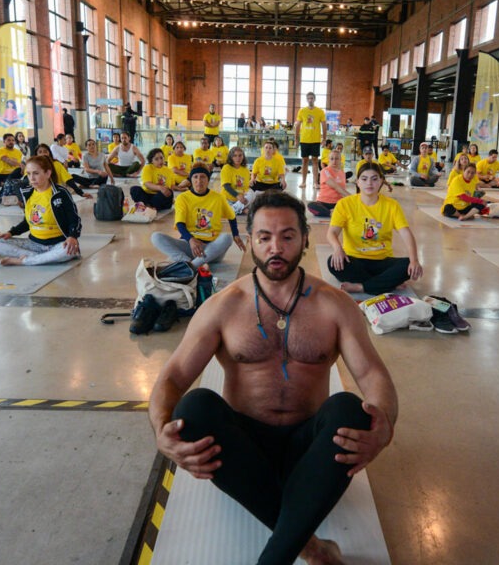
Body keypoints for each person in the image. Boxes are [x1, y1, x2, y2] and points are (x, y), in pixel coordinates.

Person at [149, 192, 398, 565]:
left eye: (287, 236)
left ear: (304, 240)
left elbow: (372, 376)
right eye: (264, 237)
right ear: (250, 241)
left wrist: (385, 429)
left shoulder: (335, 305)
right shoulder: (222, 306)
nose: (275, 247)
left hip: (309, 448)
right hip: (241, 448)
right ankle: (312, 547)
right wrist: (160, 433)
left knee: (352, 410)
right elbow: (172, 378)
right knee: (194, 407)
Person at [326, 162, 423, 295]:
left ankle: (362, 287)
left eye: (374, 178)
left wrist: (415, 260)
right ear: (358, 182)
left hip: (382, 261)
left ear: (381, 181)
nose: (369, 183)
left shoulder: (391, 205)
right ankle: (386, 283)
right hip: (354, 259)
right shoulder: (345, 204)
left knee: (407, 264)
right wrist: (338, 249)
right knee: (332, 262)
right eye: (364, 179)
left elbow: (406, 233)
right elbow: (332, 233)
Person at [0, 156, 83, 266]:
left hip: (58, 243)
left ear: (47, 173)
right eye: (28, 174)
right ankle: (40, 258)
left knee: (67, 251)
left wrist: (73, 236)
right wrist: (10, 233)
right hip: (34, 244)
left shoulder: (60, 193)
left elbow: (74, 219)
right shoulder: (28, 194)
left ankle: (24, 260)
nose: (31, 178)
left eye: (36, 173)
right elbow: (28, 222)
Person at [152, 167, 246, 268]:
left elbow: (231, 216)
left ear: (208, 180)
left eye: (203, 177)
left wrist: (236, 235)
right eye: (195, 177)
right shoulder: (182, 198)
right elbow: (180, 224)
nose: (199, 181)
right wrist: (191, 240)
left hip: (212, 249)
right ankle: (188, 261)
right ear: (190, 180)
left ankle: (191, 266)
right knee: (156, 237)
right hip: (190, 246)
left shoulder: (218, 198)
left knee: (227, 238)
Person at [294, 92, 327, 188]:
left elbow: (324, 125)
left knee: (315, 160)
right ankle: (303, 182)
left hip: (315, 140)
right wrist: (296, 139)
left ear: (314, 99)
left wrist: (324, 139)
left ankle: (315, 182)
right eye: (308, 98)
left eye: (312, 98)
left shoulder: (320, 111)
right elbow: (298, 125)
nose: (310, 100)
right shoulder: (302, 111)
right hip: (304, 139)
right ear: (306, 99)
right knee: (304, 161)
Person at [307, 149, 349, 218]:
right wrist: (351, 197)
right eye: (332, 159)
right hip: (323, 203)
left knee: (349, 206)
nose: (334, 161)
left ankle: (335, 211)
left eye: (336, 159)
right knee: (311, 205)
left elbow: (343, 190)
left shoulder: (342, 173)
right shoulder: (325, 171)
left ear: (340, 160)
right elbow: (336, 186)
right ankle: (330, 213)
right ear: (329, 160)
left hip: (337, 203)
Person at [221, 146, 254, 214]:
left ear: (243, 157)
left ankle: (235, 209)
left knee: (252, 194)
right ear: (231, 157)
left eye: (240, 155)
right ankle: (240, 209)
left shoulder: (246, 170)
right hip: (228, 199)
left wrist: (244, 197)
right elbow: (226, 186)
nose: (238, 158)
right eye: (235, 155)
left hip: (241, 201)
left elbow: (246, 188)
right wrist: (237, 195)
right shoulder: (226, 168)